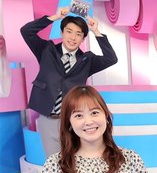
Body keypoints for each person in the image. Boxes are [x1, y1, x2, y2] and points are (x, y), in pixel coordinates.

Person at [21, 8, 118, 158]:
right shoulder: (46, 50)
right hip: (48, 118)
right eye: (69, 31)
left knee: (75, 160)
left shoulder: (87, 60)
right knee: (53, 161)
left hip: (73, 120)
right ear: (62, 33)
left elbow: (111, 58)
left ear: (83, 39)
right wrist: (55, 17)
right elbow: (26, 31)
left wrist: (96, 31)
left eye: (78, 34)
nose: (73, 37)